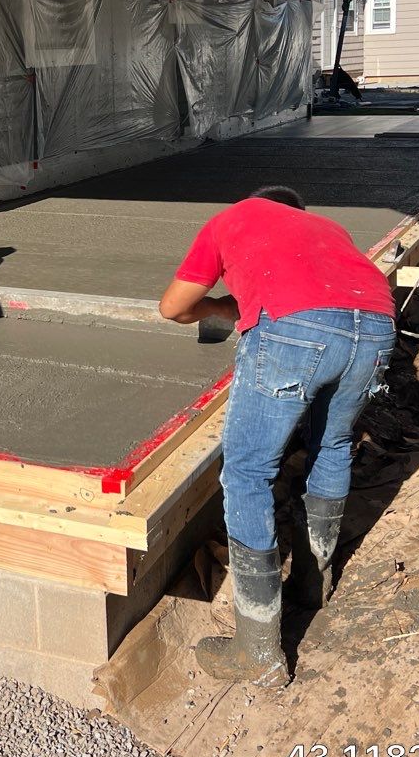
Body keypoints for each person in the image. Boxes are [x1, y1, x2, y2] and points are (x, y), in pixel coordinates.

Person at [159, 187, 396, 686]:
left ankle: (258, 653)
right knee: (331, 445)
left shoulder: (233, 217)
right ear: (296, 211)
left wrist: (220, 309)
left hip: (295, 329)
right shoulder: (329, 230)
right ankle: (314, 584)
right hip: (376, 328)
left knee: (247, 472)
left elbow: (173, 307)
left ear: (256, 202)